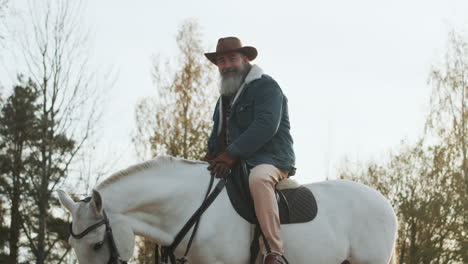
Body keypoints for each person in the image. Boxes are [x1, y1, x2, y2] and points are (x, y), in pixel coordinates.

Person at [203, 37, 296, 264]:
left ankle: (273, 251)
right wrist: (208, 158)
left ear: (245, 59)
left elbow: (266, 125)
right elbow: (218, 136)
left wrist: (230, 154)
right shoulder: (223, 99)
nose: (226, 65)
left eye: (232, 58)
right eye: (221, 61)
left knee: (259, 179)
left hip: (271, 159)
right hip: (236, 161)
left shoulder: (266, 86)